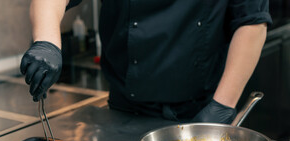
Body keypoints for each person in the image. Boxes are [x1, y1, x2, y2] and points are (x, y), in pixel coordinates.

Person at [20, 0, 272, 124]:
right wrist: (47, 42)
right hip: (124, 113)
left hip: (201, 114)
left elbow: (252, 21)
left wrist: (223, 105)